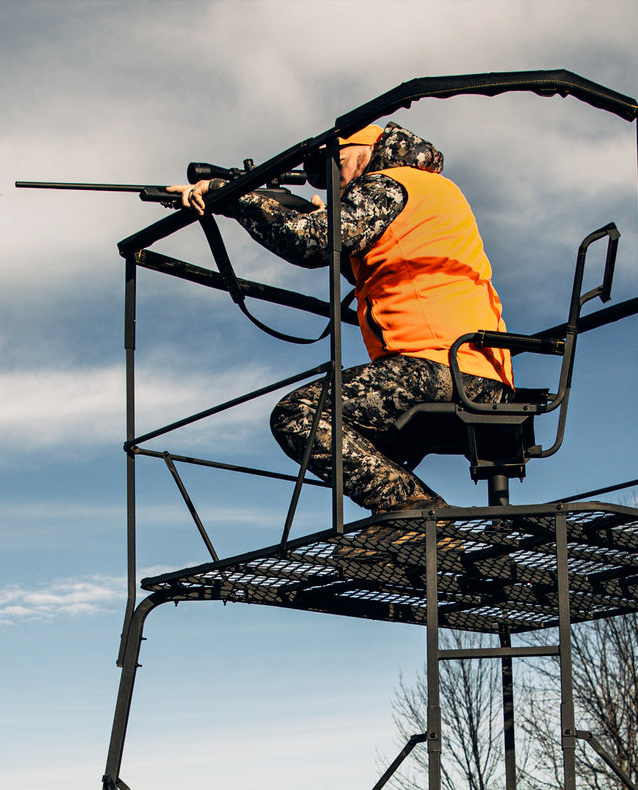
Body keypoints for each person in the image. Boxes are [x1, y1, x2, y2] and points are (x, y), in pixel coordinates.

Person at [172, 123, 514, 514]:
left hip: (443, 369)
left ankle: (416, 512)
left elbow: (311, 241)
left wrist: (232, 198)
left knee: (299, 415)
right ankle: (407, 520)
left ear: (363, 149)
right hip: (471, 372)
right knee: (346, 439)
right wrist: (285, 209)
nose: (331, 182)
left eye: (331, 167)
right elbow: (368, 262)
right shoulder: (424, 188)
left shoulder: (390, 183)